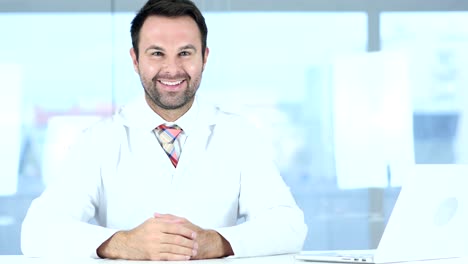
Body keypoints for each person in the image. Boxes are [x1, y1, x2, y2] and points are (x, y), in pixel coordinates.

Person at [21, 0, 307, 260]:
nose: (172, 69)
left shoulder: (239, 135)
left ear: (205, 58)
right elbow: (37, 231)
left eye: (185, 52)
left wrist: (215, 242)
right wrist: (124, 243)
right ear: (135, 60)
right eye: (157, 53)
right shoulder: (98, 140)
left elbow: (289, 226)